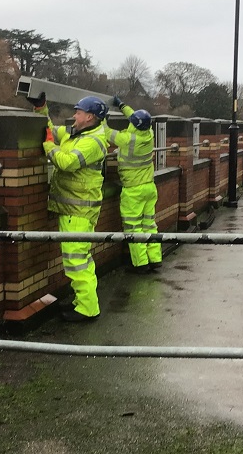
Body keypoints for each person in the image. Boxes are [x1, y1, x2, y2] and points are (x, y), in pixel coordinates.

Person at [31, 92, 110, 322]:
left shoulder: (92, 142)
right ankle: (83, 302)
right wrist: (41, 109)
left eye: (78, 112)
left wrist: (48, 147)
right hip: (73, 209)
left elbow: (68, 163)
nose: (74, 115)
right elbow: (52, 130)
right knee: (81, 260)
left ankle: (87, 310)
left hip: (79, 211)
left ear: (90, 117)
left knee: (77, 261)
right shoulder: (78, 132)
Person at [107, 96, 162, 273]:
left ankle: (141, 264)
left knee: (133, 227)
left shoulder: (128, 139)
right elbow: (134, 117)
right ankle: (155, 259)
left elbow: (105, 132)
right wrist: (122, 105)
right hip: (149, 187)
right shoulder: (149, 132)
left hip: (133, 190)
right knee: (150, 225)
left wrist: (99, 116)